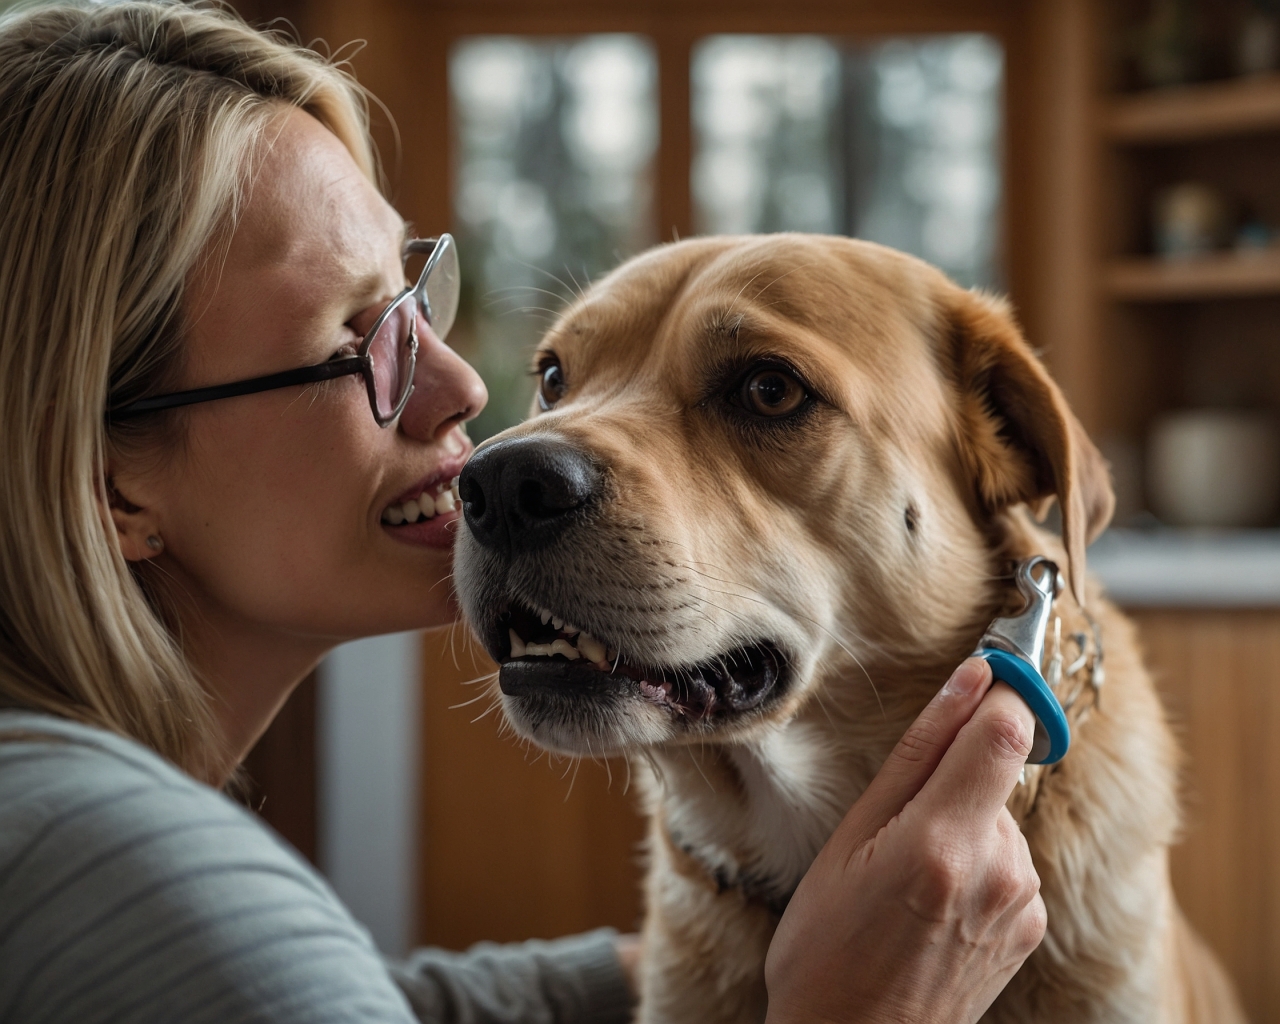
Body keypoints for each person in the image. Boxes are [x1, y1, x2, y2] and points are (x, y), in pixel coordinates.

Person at [0, 3, 1045, 1022]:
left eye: (415, 302)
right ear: (112, 482)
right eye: (350, 340)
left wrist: (693, 962)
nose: (465, 396)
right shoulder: (125, 874)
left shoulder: (57, 817)